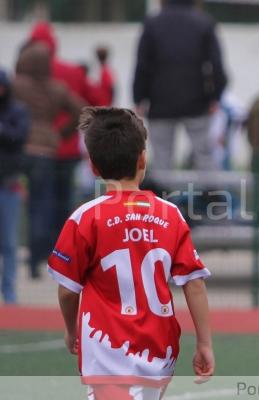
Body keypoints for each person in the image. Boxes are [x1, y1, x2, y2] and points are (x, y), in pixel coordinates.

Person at [47, 107, 214, 399]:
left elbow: (67, 291)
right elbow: (194, 283)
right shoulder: (171, 214)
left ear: (93, 167)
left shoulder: (85, 218)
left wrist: (71, 330)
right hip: (160, 351)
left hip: (108, 352)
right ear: (142, 158)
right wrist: (204, 343)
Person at [28, 21, 104, 247]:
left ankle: (39, 252)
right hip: (68, 147)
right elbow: (96, 100)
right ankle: (64, 248)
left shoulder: (26, 78)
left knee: (39, 201)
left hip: (38, 150)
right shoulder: (71, 72)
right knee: (64, 202)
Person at [13, 41, 83, 279]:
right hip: (46, 151)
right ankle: (38, 257)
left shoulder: (17, 85)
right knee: (40, 206)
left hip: (19, 149)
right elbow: (81, 110)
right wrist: (61, 133)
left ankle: (18, 254)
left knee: (13, 201)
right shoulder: (57, 89)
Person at [133, 0, 227, 172]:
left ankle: (164, 197)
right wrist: (216, 96)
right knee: (204, 156)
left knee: (162, 158)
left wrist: (139, 97)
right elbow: (216, 64)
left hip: (160, 100)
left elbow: (143, 64)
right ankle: (210, 197)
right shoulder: (204, 22)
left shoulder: (152, 23)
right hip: (197, 100)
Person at [0, 68, 30, 304]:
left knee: (9, 242)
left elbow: (19, 136)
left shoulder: (17, 110)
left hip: (8, 184)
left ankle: (9, 293)